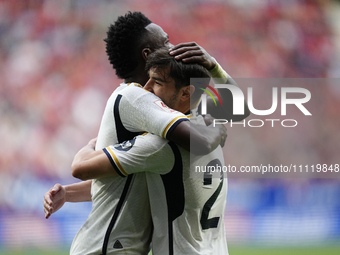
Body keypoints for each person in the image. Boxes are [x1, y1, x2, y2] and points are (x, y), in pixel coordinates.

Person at [43, 11, 249, 255]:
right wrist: (214, 130)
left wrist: (213, 66)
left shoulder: (169, 118)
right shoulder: (137, 98)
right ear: (147, 54)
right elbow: (202, 138)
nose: (173, 46)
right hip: (107, 247)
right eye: (165, 41)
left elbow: (126, 179)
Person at [71, 48, 230, 254]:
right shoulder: (209, 124)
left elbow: (81, 168)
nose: (146, 88)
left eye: (157, 82)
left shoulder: (162, 145)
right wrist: (214, 66)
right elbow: (132, 184)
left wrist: (93, 143)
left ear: (185, 92)